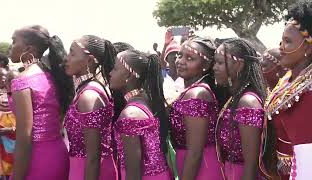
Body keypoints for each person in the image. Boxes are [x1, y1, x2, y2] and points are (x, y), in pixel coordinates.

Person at [8, 25, 74, 180]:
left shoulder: (22, 80)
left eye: (14, 41)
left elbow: (25, 137)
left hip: (36, 158)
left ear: (28, 49)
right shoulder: (51, 76)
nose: (10, 46)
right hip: (58, 154)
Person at [262, 1, 312, 179]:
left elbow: (307, 157)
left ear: (307, 46)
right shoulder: (288, 79)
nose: (281, 47)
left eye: (288, 42)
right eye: (281, 40)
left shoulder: (308, 93)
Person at [110, 50, 172, 180]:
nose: (110, 73)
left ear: (128, 75)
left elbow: (134, 173)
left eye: (115, 69)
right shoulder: (144, 99)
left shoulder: (130, 115)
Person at [64, 35, 119, 180]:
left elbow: (94, 157)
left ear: (89, 60)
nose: (66, 58)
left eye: (72, 53)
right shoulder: (87, 89)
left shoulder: (88, 97)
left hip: (89, 171)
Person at [169, 36, 224, 180]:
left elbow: (195, 152)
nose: (180, 61)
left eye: (190, 58)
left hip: (201, 168)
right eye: (179, 55)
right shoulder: (193, 90)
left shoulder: (196, 95)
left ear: (205, 65)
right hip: (191, 163)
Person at [214, 38, 266, 180]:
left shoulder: (247, 102)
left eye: (220, 63)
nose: (214, 68)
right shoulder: (234, 97)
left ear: (238, 64)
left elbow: (251, 165)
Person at [0, 68, 16, 179]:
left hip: (14, 134)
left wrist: (12, 129)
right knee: (2, 162)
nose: (2, 78)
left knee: (14, 162)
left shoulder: (14, 91)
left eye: (4, 75)